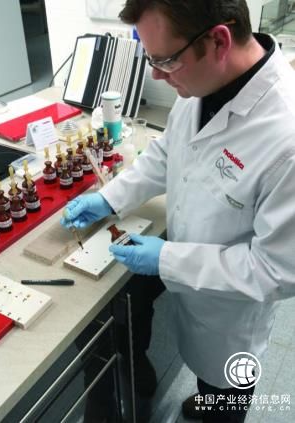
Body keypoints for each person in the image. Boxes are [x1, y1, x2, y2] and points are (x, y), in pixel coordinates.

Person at [61, 1, 295, 422]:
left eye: (165, 61)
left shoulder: (286, 137)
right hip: (195, 297)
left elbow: (277, 270)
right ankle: (207, 397)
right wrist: (110, 198)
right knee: (204, 376)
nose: (156, 75)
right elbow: (167, 153)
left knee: (225, 392)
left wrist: (167, 259)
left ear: (219, 41)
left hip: (231, 321)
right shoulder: (201, 85)